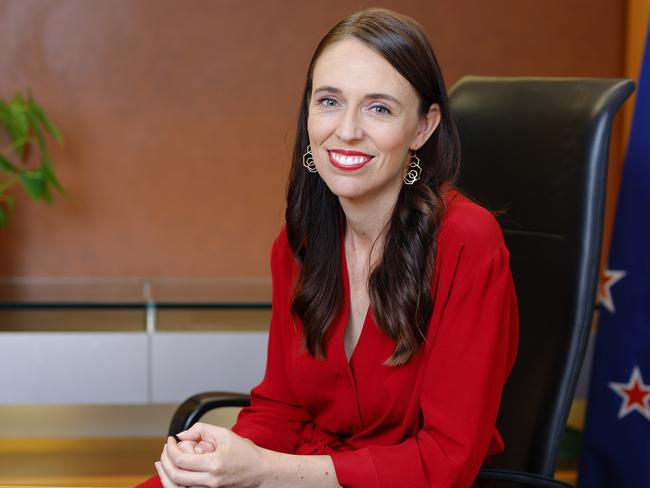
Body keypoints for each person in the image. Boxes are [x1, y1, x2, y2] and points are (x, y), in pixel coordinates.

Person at [142, 7, 518, 488]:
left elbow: (447, 460)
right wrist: (221, 459)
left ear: (423, 128)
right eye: (329, 101)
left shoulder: (468, 241)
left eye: (379, 107)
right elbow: (282, 408)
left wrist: (264, 471)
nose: (346, 130)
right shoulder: (301, 238)